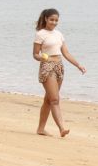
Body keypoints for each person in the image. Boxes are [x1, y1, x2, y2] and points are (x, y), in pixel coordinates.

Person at [32, 8, 86, 137]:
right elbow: (35, 54)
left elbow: (66, 53)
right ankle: (62, 128)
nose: (54, 22)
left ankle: (40, 129)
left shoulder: (59, 34)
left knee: (48, 100)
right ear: (46, 19)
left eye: (56, 20)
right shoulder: (40, 34)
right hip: (47, 67)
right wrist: (45, 57)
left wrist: (78, 65)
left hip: (59, 67)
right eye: (51, 19)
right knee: (55, 99)